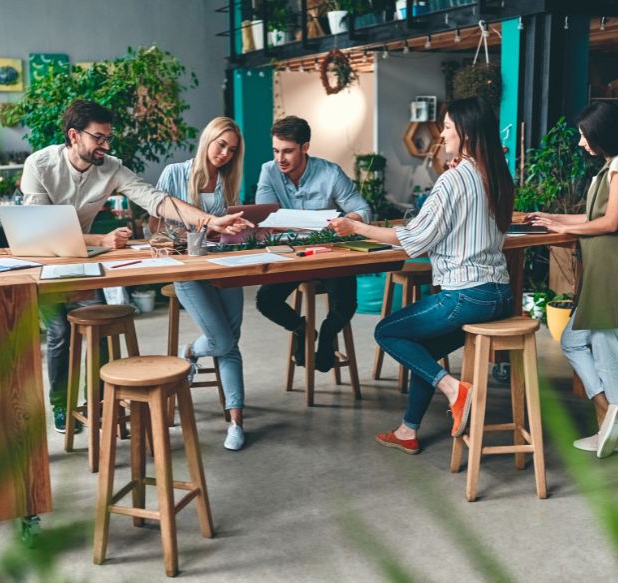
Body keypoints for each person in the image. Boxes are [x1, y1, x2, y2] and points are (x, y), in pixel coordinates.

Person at [20, 100, 252, 433]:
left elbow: (157, 200)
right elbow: (42, 228)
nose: (106, 145)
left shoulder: (111, 167)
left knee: (96, 325)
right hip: (46, 258)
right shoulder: (39, 165)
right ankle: (62, 406)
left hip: (83, 260)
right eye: (98, 138)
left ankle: (99, 403)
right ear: (74, 136)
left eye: (108, 137)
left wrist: (211, 221)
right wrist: (99, 241)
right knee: (58, 332)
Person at [327, 96, 515, 455]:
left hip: (466, 296)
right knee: (423, 351)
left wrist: (354, 227)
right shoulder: (499, 176)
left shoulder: (454, 180)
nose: (442, 134)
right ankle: (407, 430)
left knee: (387, 331)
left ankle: (453, 390)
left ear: (467, 132)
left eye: (446, 127)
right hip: (501, 297)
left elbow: (412, 240)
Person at [527, 102, 618, 458]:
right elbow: (594, 215)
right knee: (573, 341)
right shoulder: (610, 167)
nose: (581, 143)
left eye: (584, 136)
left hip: (614, 270)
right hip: (602, 270)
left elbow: (611, 223)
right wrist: (552, 217)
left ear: (602, 135)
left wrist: (564, 227)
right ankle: (607, 413)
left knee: (606, 346)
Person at [156, 117, 248, 450]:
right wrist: (203, 231)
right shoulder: (175, 174)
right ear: (207, 138)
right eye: (221, 144)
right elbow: (156, 230)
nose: (224, 154)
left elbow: (232, 229)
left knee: (230, 342)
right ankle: (192, 351)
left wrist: (240, 230)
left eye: (232, 150)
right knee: (223, 340)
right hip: (188, 270)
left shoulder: (228, 181)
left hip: (226, 267)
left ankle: (236, 421)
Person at [255, 115, 371, 372]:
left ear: (305, 147)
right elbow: (265, 216)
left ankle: (327, 336)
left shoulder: (330, 173)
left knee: (346, 305)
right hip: (290, 256)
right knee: (265, 301)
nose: (280, 159)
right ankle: (302, 329)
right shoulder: (268, 171)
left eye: (287, 151)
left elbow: (362, 209)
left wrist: (349, 221)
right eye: (276, 151)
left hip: (327, 253)